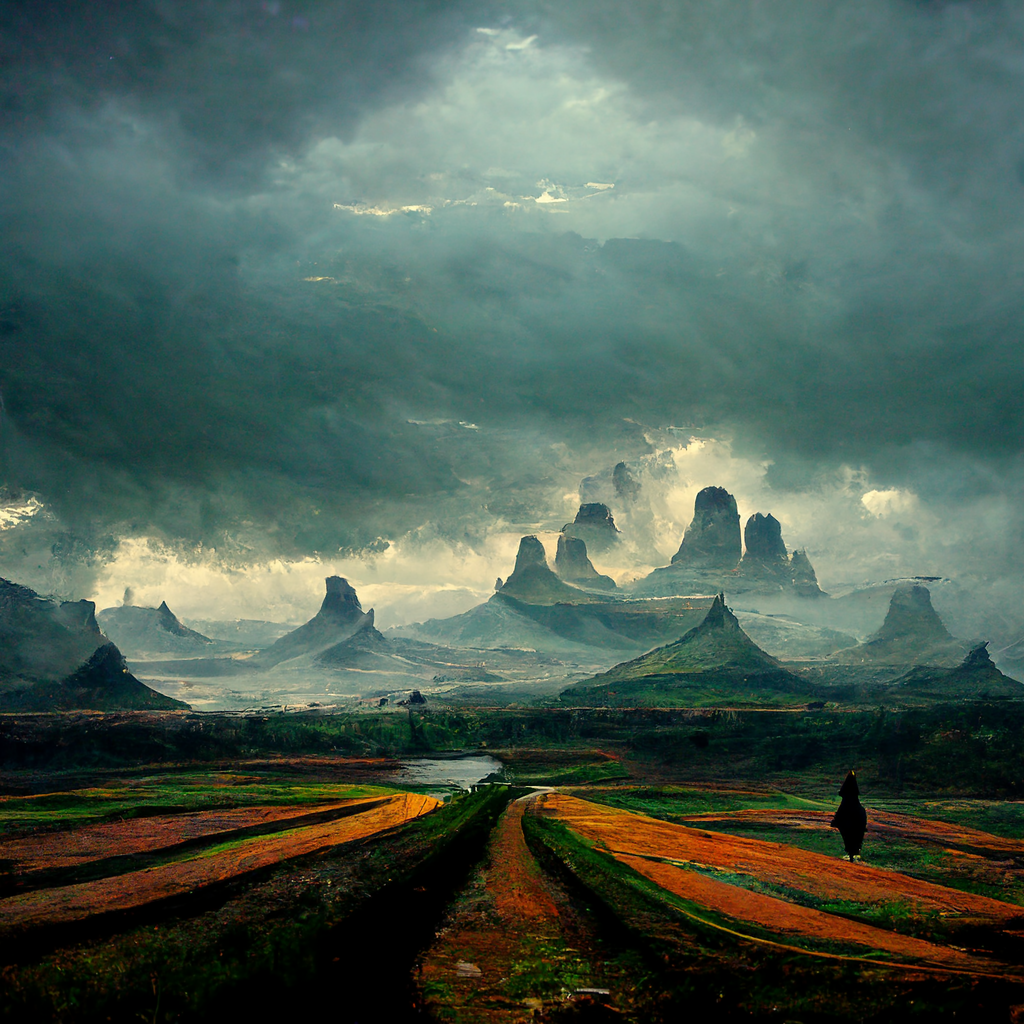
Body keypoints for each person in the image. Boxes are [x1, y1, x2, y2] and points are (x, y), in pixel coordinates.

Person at [830, 769, 867, 861]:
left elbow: (842, 792)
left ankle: (836, 822)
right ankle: (855, 850)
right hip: (854, 803)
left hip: (847, 804)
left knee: (840, 816)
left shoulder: (847, 785)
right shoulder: (854, 786)